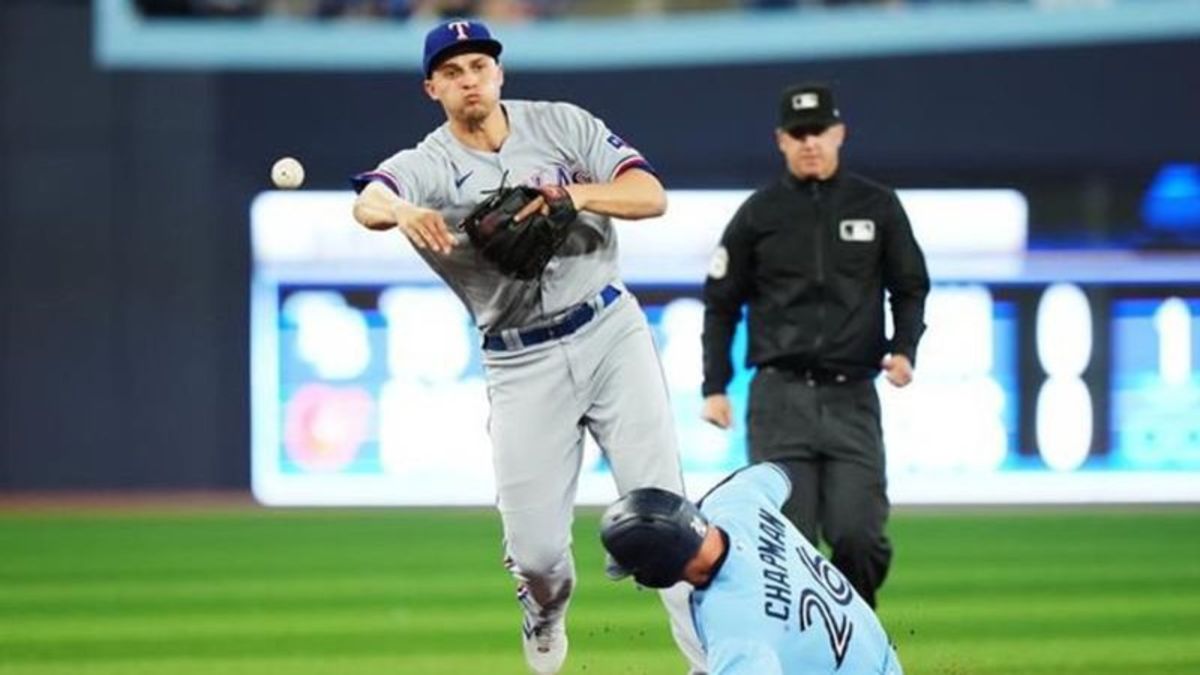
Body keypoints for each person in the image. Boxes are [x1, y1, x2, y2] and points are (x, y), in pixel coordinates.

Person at [350, 19, 706, 675]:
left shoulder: (562, 125)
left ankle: (712, 662)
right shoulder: (427, 163)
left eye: (479, 66)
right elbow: (371, 200)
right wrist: (400, 211)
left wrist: (572, 194)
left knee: (668, 519)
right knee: (540, 555)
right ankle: (542, 610)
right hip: (520, 360)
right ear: (433, 88)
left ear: (499, 73)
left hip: (609, 330)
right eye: (452, 72)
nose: (469, 80)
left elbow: (649, 194)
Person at [700, 82, 930, 608]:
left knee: (859, 537)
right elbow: (720, 303)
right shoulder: (758, 214)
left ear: (839, 133)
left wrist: (905, 347)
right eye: (798, 134)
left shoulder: (878, 206)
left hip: (852, 398)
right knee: (788, 545)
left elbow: (910, 286)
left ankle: (856, 643)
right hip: (780, 401)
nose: (810, 143)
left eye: (819, 132)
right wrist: (715, 386)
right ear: (781, 140)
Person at [600, 463, 904, 674]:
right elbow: (778, 472)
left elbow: (744, 636)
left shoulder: (733, 625)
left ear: (660, 570)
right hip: (875, 655)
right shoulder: (735, 502)